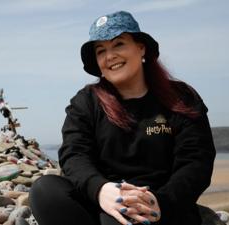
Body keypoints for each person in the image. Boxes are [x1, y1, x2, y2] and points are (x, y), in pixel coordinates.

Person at [29, 11, 216, 225]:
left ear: (141, 47)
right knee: (45, 191)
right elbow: (74, 154)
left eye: (118, 44)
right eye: (101, 51)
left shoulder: (180, 97)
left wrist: (160, 202)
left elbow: (197, 160)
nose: (110, 56)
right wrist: (101, 189)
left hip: (160, 207)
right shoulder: (86, 101)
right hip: (105, 200)